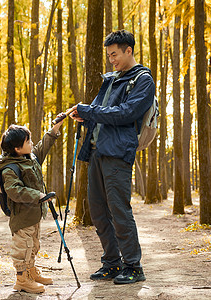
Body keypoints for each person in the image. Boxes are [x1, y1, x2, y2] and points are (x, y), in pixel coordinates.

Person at [69, 29, 155, 284]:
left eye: (115, 54)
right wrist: (82, 115)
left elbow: (125, 113)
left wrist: (90, 111)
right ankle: (112, 263)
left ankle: (133, 266)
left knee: (119, 210)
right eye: (108, 55)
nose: (111, 60)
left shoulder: (142, 80)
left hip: (118, 153)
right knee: (97, 211)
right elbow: (100, 112)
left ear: (129, 50)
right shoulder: (111, 80)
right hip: (96, 151)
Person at [0, 116, 64, 294]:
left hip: (34, 213)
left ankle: (31, 271)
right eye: (28, 141)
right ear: (17, 148)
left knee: (33, 245)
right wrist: (39, 195)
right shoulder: (9, 168)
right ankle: (22, 279)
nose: (32, 143)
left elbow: (43, 147)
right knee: (23, 247)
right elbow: (14, 190)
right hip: (22, 216)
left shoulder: (29, 158)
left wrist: (55, 128)